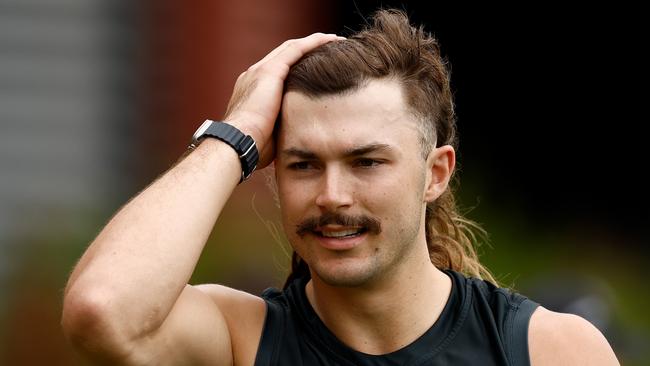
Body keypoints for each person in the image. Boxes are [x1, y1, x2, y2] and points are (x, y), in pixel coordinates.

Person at [61, 9, 619, 366]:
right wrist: (236, 135)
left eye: (366, 162)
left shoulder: (549, 351)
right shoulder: (238, 342)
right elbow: (102, 310)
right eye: (303, 165)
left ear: (436, 173)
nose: (332, 195)